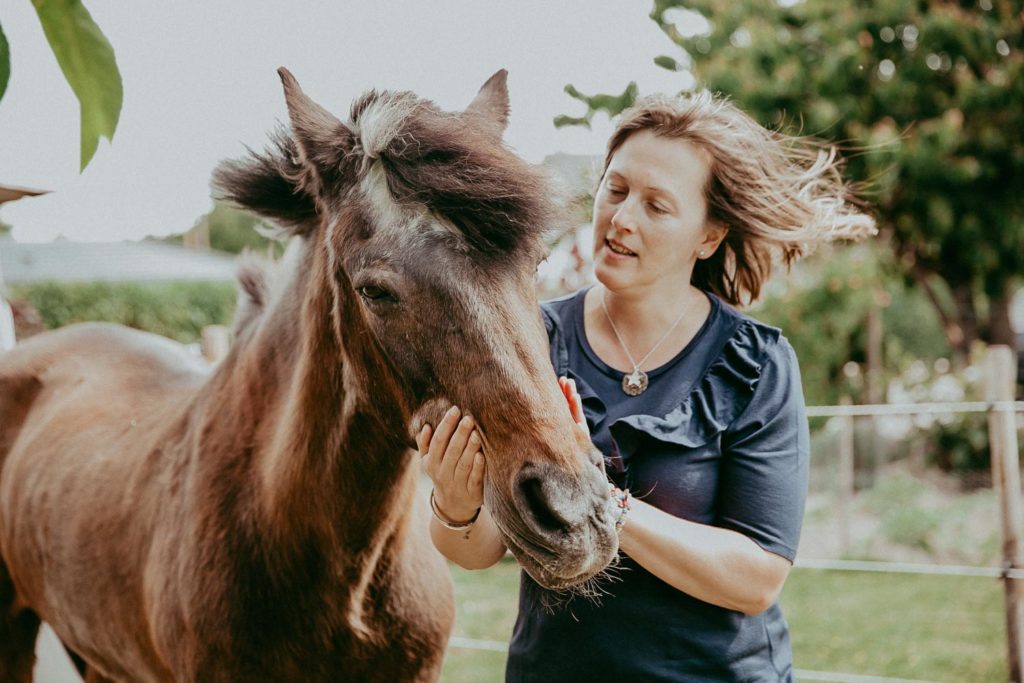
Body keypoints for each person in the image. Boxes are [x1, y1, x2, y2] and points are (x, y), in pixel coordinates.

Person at [419, 91, 875, 682]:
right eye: (616, 189)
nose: (622, 218)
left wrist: (598, 497)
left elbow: (755, 577)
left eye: (657, 206)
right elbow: (481, 550)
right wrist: (455, 506)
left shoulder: (756, 364)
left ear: (708, 237)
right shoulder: (527, 339)